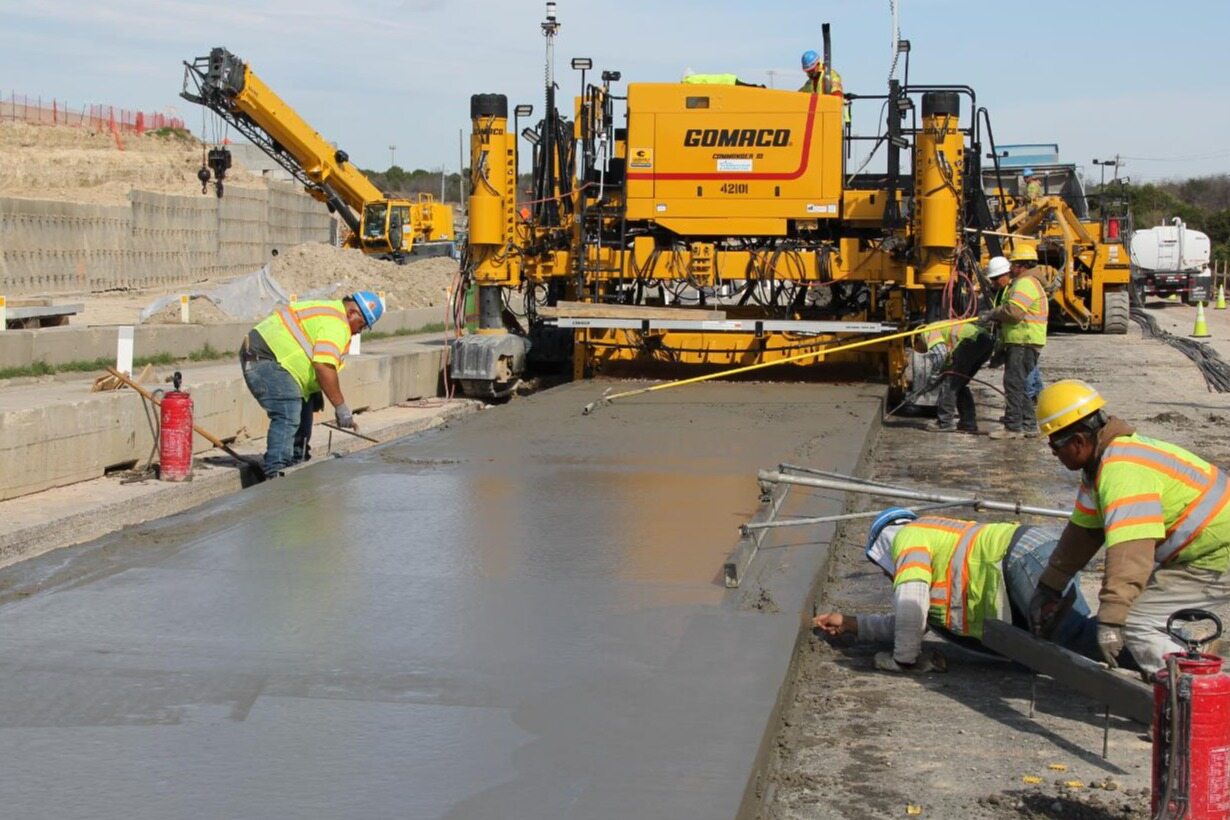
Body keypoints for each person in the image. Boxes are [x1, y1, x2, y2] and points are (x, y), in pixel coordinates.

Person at [1028, 380, 1230, 676]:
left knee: (1137, 623)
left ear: (1078, 442)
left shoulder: (1121, 471)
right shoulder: (1101, 465)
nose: (1053, 453)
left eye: (1054, 445)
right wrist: (1049, 588)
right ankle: (1190, 654)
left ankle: (1189, 689)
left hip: (1218, 554)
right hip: (1205, 550)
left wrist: (1112, 620)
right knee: (1145, 612)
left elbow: (1130, 554)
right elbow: (1082, 535)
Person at [814, 508, 1099, 671]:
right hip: (1035, 551)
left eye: (881, 566)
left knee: (1072, 637)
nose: (885, 574)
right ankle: (1120, 641)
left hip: (1021, 557)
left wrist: (903, 661)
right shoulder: (933, 544)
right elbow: (911, 621)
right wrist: (851, 623)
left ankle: (1124, 648)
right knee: (1073, 640)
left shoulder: (906, 537)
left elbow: (910, 604)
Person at [239, 291, 384, 476]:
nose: (358, 332)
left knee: (304, 412)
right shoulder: (337, 324)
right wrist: (340, 407)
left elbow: (311, 352)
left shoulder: (331, 313)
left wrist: (314, 388)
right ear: (352, 313)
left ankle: (298, 465)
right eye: (361, 325)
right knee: (288, 413)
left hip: (280, 362)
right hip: (265, 358)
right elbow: (323, 366)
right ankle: (276, 474)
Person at [983, 245, 1048, 439]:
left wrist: (993, 314)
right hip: (1027, 341)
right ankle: (1028, 425)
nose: (1010, 269)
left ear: (1021, 266)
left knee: (1013, 384)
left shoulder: (1025, 283)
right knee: (1021, 385)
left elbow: (1014, 313)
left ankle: (1013, 427)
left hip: (1022, 341)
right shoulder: (1031, 282)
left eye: (1013, 265)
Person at [799, 49, 850, 124]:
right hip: (817, 120)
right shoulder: (810, 83)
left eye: (811, 71)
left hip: (830, 119)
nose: (809, 74)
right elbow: (799, 95)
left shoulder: (831, 76)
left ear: (818, 64)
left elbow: (837, 95)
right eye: (808, 72)